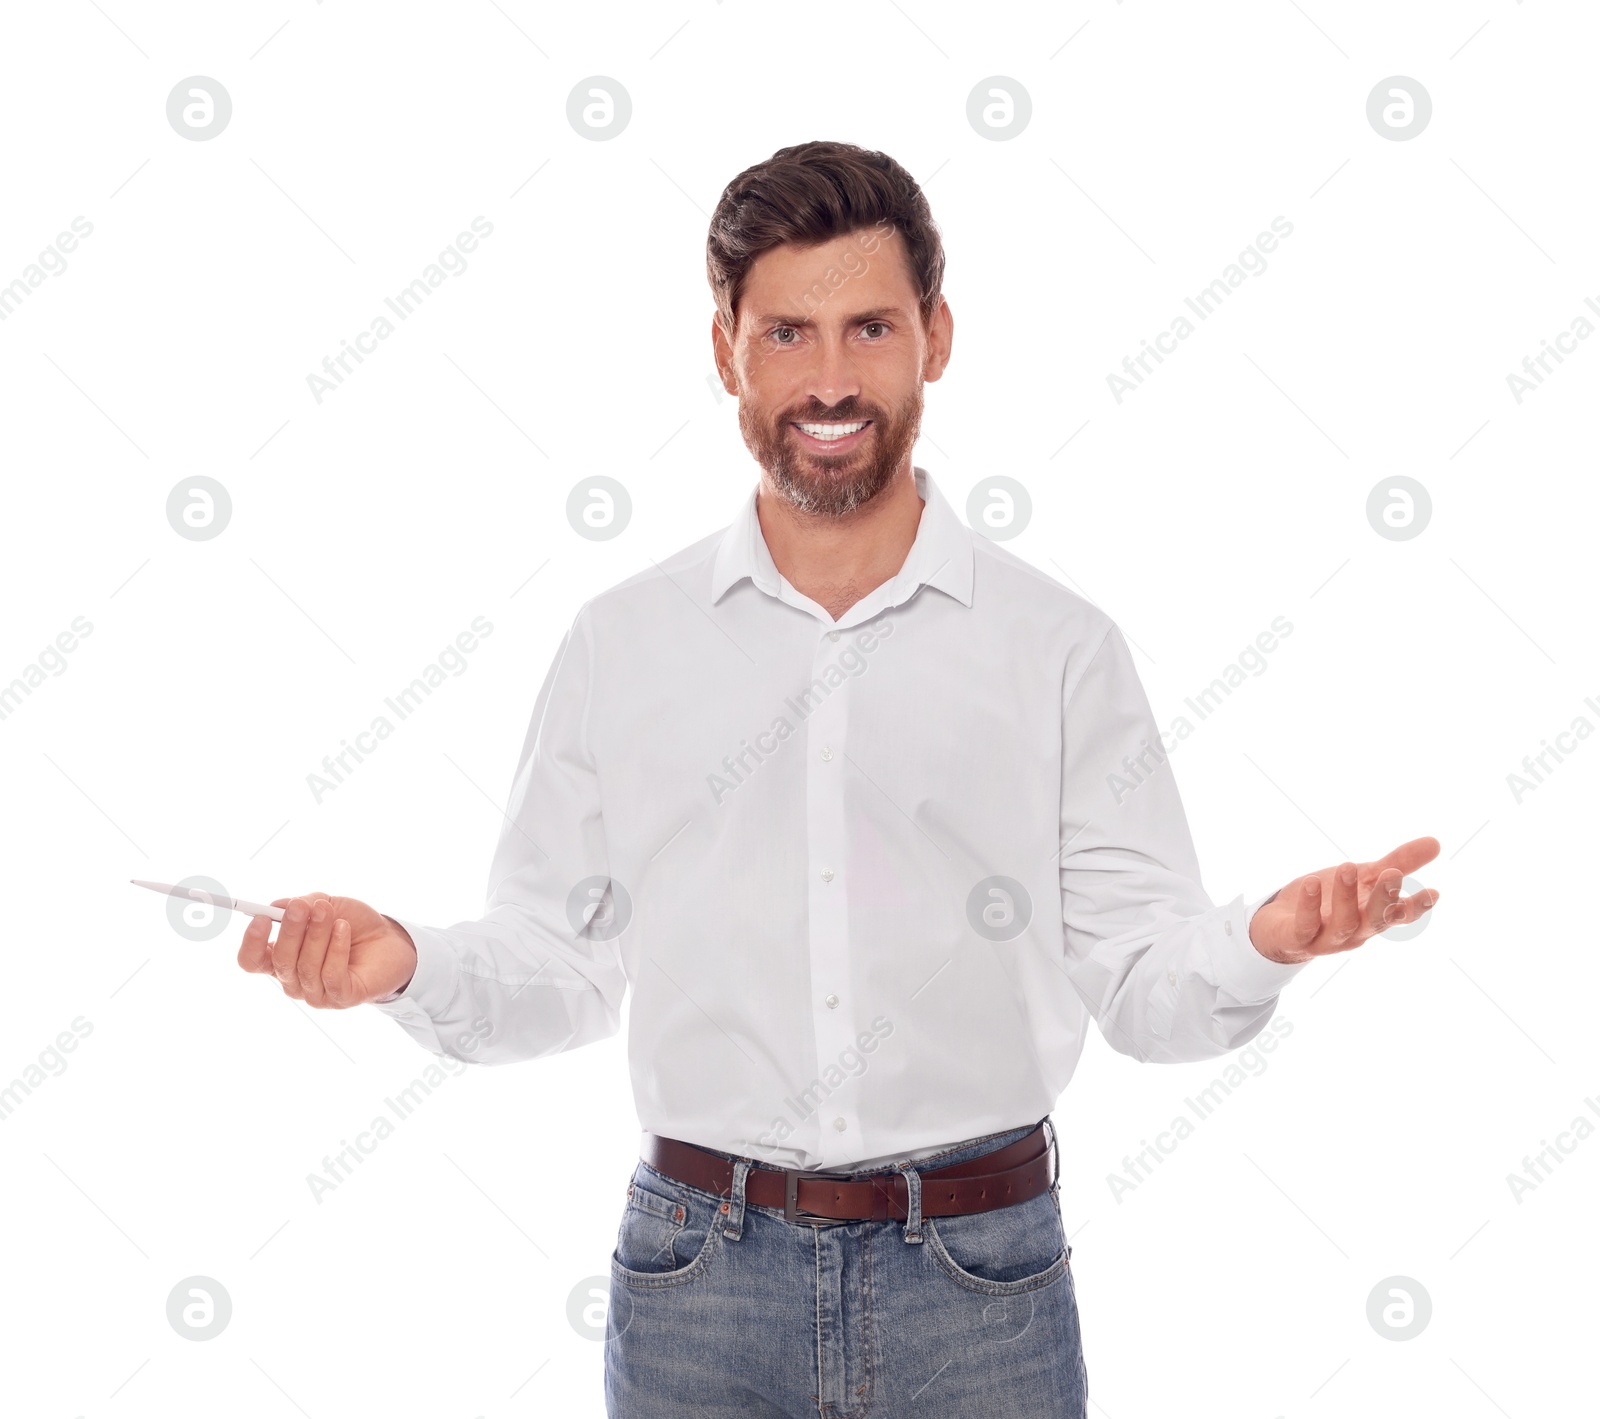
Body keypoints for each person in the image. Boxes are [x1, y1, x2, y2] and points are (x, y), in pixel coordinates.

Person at [237, 140, 1439, 1418]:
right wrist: (406, 962)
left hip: (982, 1283)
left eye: (868, 327)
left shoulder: (1056, 647)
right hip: (699, 1281)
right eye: (786, 333)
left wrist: (1265, 940)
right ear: (725, 353)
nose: (828, 380)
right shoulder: (622, 644)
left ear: (935, 336)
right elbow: (564, 962)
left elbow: (1142, 982)